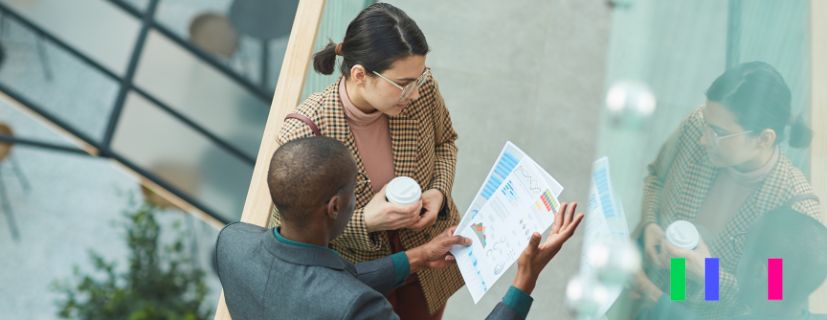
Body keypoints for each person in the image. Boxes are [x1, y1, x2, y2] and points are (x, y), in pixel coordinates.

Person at [218, 137, 585, 320]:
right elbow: (332, 292)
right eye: (355, 189)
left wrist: (417, 257)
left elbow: (315, 279)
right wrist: (525, 281)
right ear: (334, 206)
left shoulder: (231, 243)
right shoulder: (356, 308)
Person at [270, 3, 463, 318]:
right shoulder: (306, 134)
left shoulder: (422, 89)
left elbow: (446, 141)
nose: (414, 93)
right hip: (363, 280)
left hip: (431, 263)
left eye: (419, 77)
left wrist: (438, 192)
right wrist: (367, 221)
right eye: (403, 84)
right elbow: (295, 232)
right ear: (359, 74)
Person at [632, 61, 822, 318]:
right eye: (706, 125)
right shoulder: (697, 127)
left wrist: (709, 275)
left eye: (718, 132)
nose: (702, 138)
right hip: (637, 282)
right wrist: (650, 223)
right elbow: (656, 177)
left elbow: (769, 302)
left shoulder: (793, 217)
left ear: (764, 139)